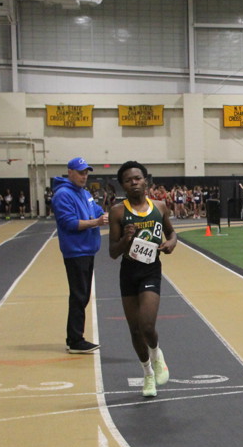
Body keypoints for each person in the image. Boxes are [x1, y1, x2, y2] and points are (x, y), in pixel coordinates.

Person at [108, 161, 178, 398]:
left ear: (145, 181)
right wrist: (125, 239)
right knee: (135, 330)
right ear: (123, 185)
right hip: (129, 272)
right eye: (128, 180)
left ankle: (157, 355)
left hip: (150, 270)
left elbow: (171, 232)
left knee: (147, 325)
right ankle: (148, 374)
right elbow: (113, 252)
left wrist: (171, 243)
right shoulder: (118, 212)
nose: (134, 183)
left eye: (137, 178)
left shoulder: (159, 206)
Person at [53, 157, 109, 354]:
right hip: (76, 250)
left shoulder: (84, 193)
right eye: (80, 172)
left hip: (87, 249)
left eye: (86, 173)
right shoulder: (63, 195)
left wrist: (107, 215)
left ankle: (75, 338)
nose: (84, 176)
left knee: (82, 295)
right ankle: (75, 339)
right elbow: (69, 223)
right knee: (79, 295)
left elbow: (97, 211)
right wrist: (96, 222)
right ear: (70, 172)